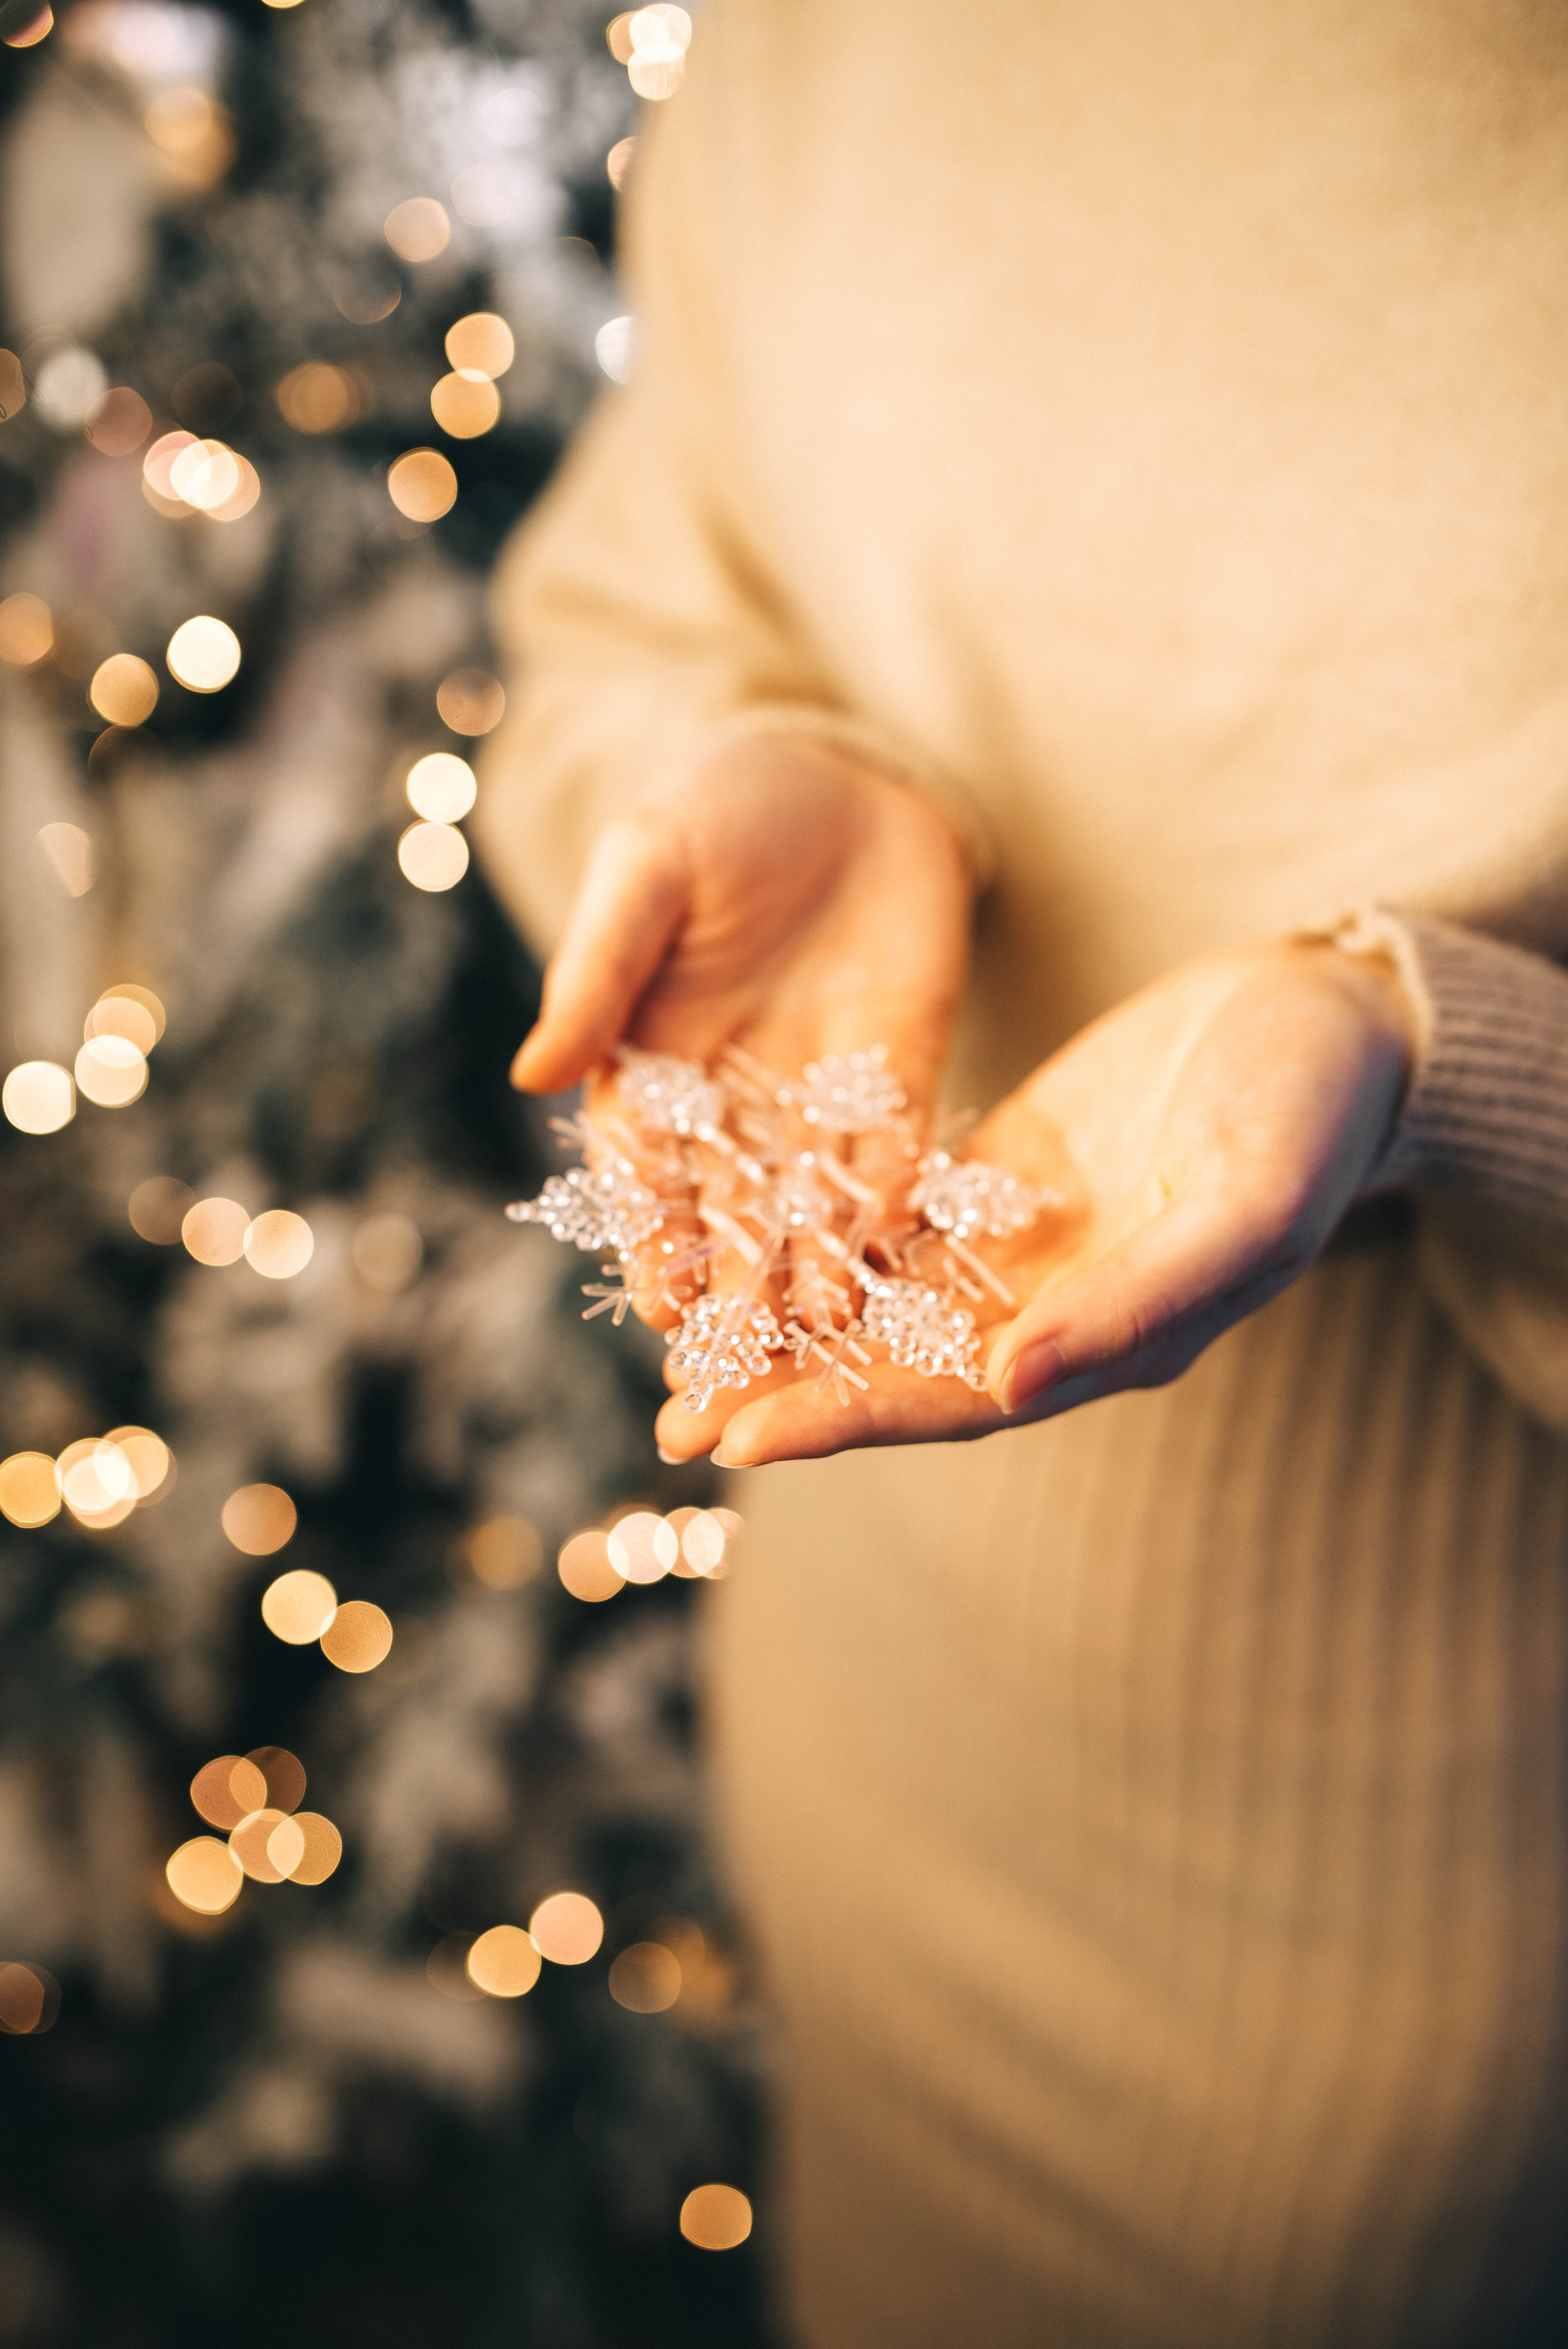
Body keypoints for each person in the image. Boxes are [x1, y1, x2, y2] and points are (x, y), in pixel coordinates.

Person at [475, 6, 1568, 2340]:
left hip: (1405, 1954)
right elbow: (620, 611)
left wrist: (1429, 1063)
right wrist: (765, 768)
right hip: (880, 1719)